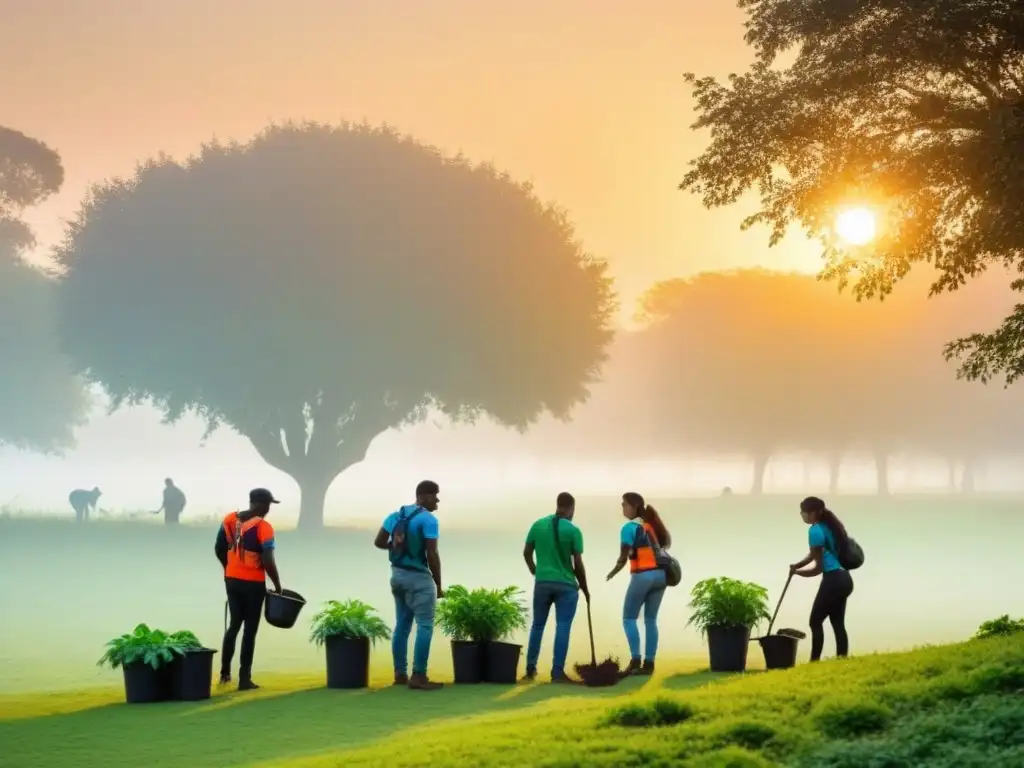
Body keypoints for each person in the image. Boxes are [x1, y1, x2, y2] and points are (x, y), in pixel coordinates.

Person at [374, 480, 444, 691]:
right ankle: (419, 675)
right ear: (422, 497)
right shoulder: (429, 520)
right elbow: (432, 554)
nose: (437, 500)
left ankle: (400, 674)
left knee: (402, 626)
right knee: (424, 625)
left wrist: (395, 546)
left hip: (397, 576)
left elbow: (378, 542)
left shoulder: (394, 516)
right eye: (434, 495)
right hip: (419, 579)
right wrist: (438, 583)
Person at [214, 487, 283, 690]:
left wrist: (229, 568)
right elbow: (267, 559)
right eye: (268, 505)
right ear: (260, 504)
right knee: (250, 630)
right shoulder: (264, 527)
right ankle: (245, 679)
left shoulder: (229, 519)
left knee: (234, 625)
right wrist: (277, 584)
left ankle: (225, 673)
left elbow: (219, 548)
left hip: (232, 580)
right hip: (253, 584)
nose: (269, 509)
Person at [522, 491, 590, 684]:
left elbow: (526, 553)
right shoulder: (573, 530)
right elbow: (578, 563)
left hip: (542, 583)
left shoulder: (538, 525)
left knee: (537, 625)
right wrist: (585, 588)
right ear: (571, 508)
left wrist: (536, 571)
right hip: (566, 585)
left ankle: (530, 669)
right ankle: (557, 673)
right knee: (563, 626)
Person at [606, 492, 671, 676]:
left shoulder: (629, 527)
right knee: (651, 620)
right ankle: (649, 664)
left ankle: (635, 661)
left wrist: (613, 571)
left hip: (643, 575)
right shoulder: (651, 525)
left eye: (624, 504)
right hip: (661, 576)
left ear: (634, 506)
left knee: (628, 618)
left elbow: (623, 557)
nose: (622, 507)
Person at [790, 496, 855, 662]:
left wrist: (798, 573)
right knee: (837, 622)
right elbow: (815, 554)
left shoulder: (814, 530)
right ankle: (842, 659)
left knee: (815, 621)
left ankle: (814, 661)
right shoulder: (829, 527)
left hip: (833, 580)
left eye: (803, 512)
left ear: (812, 513)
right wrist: (798, 565)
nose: (801, 514)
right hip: (845, 579)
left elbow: (818, 568)